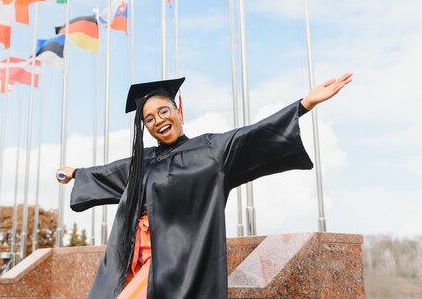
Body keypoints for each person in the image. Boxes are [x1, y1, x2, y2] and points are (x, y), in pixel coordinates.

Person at [56, 73, 352, 299]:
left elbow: (255, 134)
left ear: (178, 108)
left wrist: (305, 104)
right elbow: (107, 174)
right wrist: (75, 173)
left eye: (163, 111)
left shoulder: (211, 150)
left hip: (180, 263)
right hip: (136, 260)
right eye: (148, 119)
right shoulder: (142, 161)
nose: (158, 120)